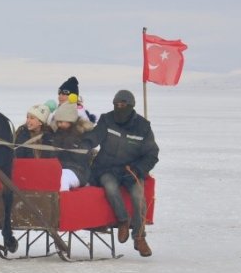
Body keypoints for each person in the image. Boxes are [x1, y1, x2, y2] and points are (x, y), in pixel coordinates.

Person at [80, 90, 159, 257]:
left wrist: (138, 169)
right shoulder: (107, 120)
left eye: (123, 105)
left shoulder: (143, 127)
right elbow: (95, 136)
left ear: (131, 106)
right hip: (106, 168)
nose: (119, 107)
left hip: (132, 170)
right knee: (110, 186)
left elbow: (152, 155)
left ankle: (139, 237)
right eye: (116, 104)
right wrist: (84, 143)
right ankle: (123, 220)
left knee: (138, 197)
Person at [49, 102, 94, 191]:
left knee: (63, 178)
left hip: (79, 170)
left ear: (70, 120)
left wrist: (72, 145)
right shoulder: (57, 133)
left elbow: (85, 156)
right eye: (58, 122)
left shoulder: (83, 133)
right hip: (59, 168)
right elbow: (52, 156)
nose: (59, 125)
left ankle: (62, 202)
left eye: (61, 122)